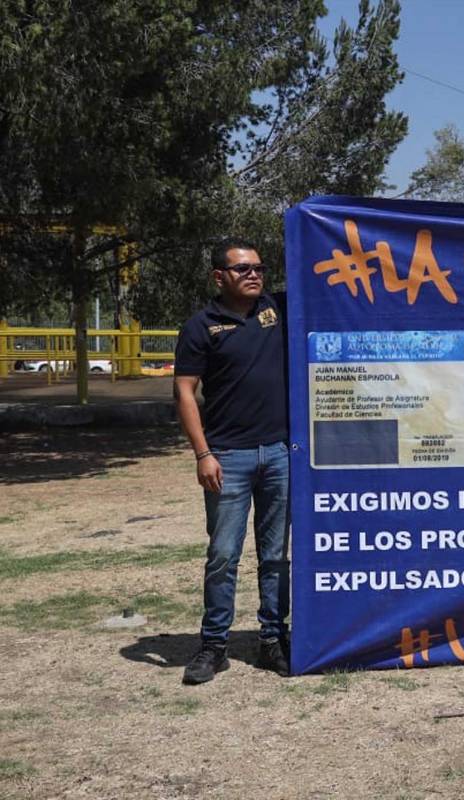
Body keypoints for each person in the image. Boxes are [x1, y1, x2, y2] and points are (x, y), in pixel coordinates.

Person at [174, 238, 290, 684]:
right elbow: (184, 392)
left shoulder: (277, 309)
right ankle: (214, 645)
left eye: (259, 268)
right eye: (242, 270)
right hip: (227, 457)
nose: (254, 275)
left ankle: (273, 640)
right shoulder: (202, 326)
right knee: (223, 555)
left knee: (276, 556)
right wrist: (203, 453)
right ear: (219, 276)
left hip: (280, 453)